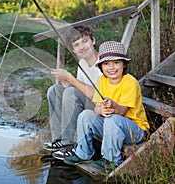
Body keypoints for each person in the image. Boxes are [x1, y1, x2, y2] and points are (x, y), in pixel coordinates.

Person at [63, 41, 150, 173]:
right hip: (111, 127)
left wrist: (113, 105)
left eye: (116, 62)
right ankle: (83, 152)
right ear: (101, 67)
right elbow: (97, 108)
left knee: (112, 118)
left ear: (124, 64)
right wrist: (100, 109)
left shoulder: (130, 82)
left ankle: (111, 160)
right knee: (86, 115)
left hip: (135, 131)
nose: (111, 67)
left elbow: (122, 111)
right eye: (106, 64)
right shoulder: (101, 81)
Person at [43, 25, 102, 160]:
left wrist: (71, 80)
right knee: (54, 90)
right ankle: (58, 139)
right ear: (74, 50)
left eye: (85, 41)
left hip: (101, 107)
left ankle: (70, 144)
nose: (82, 47)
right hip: (87, 103)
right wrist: (68, 83)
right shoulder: (82, 63)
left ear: (93, 40)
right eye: (76, 45)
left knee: (71, 92)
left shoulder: (103, 63)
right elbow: (80, 87)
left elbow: (96, 95)